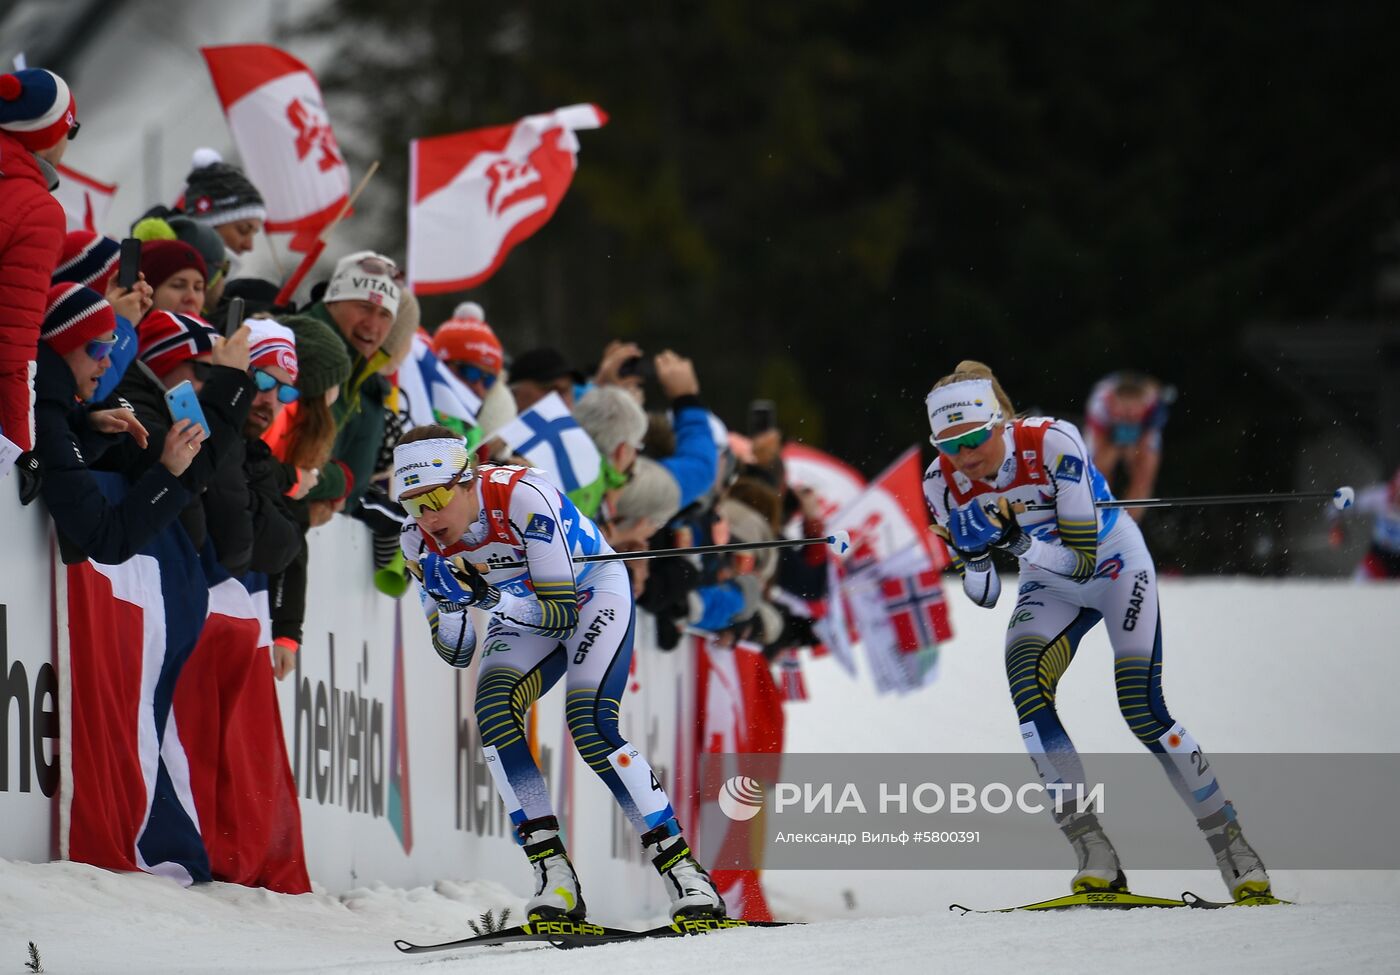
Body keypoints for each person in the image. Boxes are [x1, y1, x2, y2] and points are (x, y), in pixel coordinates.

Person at [922, 360, 1275, 904]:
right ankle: (1093, 851)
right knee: (1027, 691)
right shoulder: (940, 482)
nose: (965, 456)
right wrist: (971, 555)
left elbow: (1084, 562)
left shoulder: (1054, 443)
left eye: (973, 437)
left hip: (1113, 566)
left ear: (998, 422)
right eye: (949, 445)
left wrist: (1013, 541)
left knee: (1140, 707)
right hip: (1047, 580)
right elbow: (985, 595)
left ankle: (1232, 845)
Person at [392, 424, 725, 923]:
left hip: (589, 592)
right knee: (493, 710)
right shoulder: (417, 544)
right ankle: (554, 877)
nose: (429, 516)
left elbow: (562, 614)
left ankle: (683, 873)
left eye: (437, 497)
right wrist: (450, 602)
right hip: (520, 606)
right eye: (414, 504)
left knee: (589, 723)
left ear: (466, 481)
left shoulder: (522, 496)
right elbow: (457, 652)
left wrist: (485, 596)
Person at [31, 284, 205, 562]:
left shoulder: (46, 405)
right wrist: (169, 472)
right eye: (99, 350)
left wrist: (88, 427)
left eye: (112, 348)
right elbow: (107, 540)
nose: (107, 364)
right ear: (64, 345)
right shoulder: (44, 419)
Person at [0, 68, 74, 454]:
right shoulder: (39, 212)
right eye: (71, 129)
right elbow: (13, 347)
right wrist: (22, 449)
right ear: (50, 136)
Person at [1083, 371, 1172, 520]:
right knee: (1096, 471)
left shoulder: (1154, 408)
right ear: (1113, 402)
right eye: (1124, 412)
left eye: (1133, 414)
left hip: (1141, 431)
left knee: (1145, 470)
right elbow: (1100, 448)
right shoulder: (1100, 405)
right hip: (1107, 430)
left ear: (1144, 406)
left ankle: (1129, 524)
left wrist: (1133, 454)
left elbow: (1145, 448)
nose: (1128, 415)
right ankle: (1096, 516)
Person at [1330, 468, 1400, 580]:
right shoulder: (1381, 496)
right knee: (1357, 589)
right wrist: (1336, 527)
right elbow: (1337, 507)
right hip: (1379, 557)